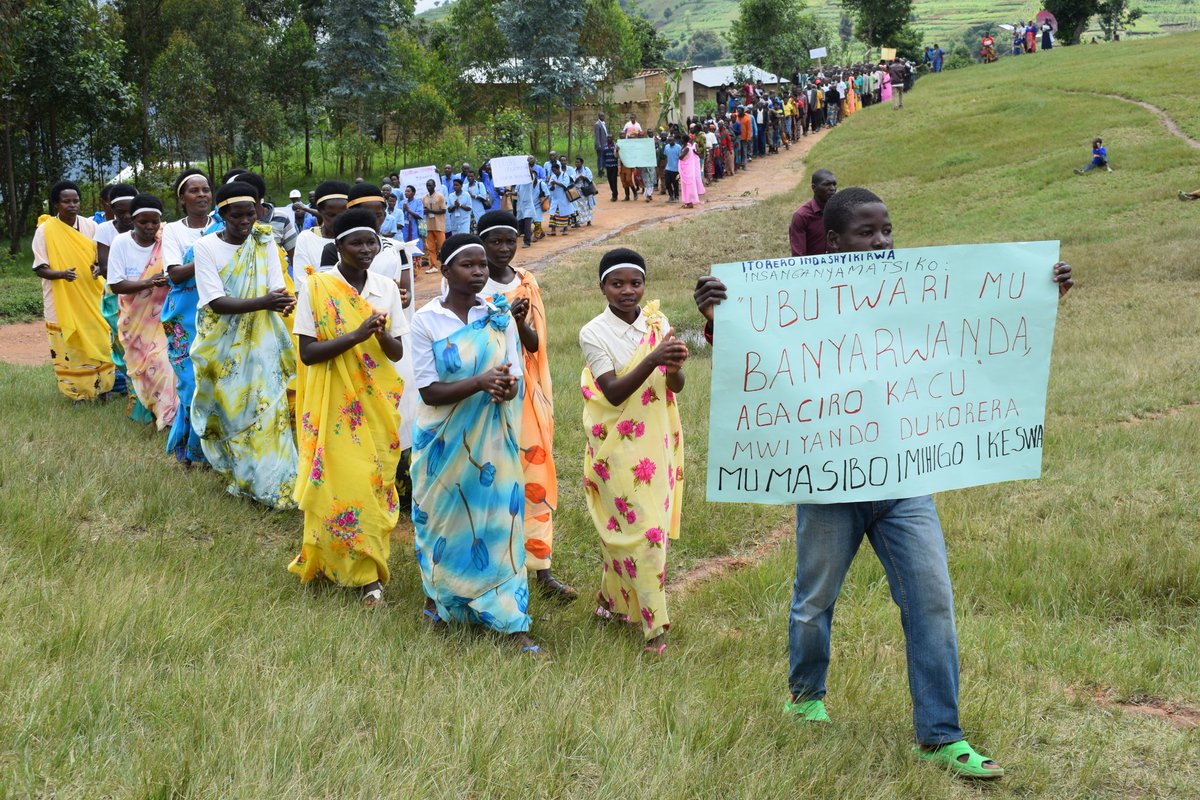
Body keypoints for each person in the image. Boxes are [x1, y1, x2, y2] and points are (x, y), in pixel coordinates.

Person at [692, 186, 1074, 780]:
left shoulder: (916, 291)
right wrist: (719, 316)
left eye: (887, 230)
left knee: (932, 603)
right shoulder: (799, 295)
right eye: (866, 232)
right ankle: (806, 699)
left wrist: (1038, 292)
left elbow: (972, 328)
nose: (881, 242)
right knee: (814, 601)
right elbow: (757, 354)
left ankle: (941, 735)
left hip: (904, 480)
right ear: (834, 240)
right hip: (829, 482)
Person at [409, 233, 537, 651]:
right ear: (445, 269)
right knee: (442, 523)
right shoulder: (427, 320)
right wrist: (481, 382)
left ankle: (510, 620)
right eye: (469, 264)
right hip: (442, 444)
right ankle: (444, 600)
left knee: (499, 525)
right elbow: (429, 391)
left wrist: (505, 388)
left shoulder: (498, 317)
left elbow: (514, 376)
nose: (479, 271)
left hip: (493, 441)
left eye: (482, 265)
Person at [289, 208, 407, 607]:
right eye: (357, 242)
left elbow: (396, 351)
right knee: (339, 484)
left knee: (374, 484)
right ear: (338, 245)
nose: (366, 249)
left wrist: (381, 334)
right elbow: (308, 353)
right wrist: (356, 335)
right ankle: (364, 577)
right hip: (334, 404)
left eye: (372, 242)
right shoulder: (316, 287)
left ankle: (363, 562)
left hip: (376, 404)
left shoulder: (386, 287)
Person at [579, 248, 687, 655]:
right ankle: (654, 630)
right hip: (616, 448)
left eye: (635, 283)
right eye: (617, 283)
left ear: (645, 284)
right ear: (602, 287)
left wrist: (672, 368)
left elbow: (674, 387)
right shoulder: (593, 332)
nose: (627, 291)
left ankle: (610, 601)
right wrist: (654, 358)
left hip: (655, 442)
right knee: (644, 533)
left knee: (641, 527)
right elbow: (612, 391)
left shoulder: (658, 324)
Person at [475, 210, 576, 600]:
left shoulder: (526, 283)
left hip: (526, 394)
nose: (503, 248)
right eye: (495, 241)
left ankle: (541, 569)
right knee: (491, 474)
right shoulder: (472, 284)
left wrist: (518, 323)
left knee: (533, 471)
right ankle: (498, 567)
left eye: (509, 240)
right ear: (481, 244)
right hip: (484, 392)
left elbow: (535, 344)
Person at [190, 181, 298, 509]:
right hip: (220, 343)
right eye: (236, 215)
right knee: (232, 410)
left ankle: (276, 487)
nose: (245, 221)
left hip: (262, 339)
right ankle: (243, 477)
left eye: (250, 213)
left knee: (267, 410)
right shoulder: (205, 247)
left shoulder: (264, 241)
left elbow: (276, 287)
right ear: (222, 215)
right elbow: (216, 301)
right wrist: (265, 302)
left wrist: (282, 303)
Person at [32, 180, 115, 402]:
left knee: (101, 337)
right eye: (66, 201)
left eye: (75, 200)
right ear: (56, 204)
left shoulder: (91, 226)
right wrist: (61, 274)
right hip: (60, 299)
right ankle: (77, 393)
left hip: (91, 294)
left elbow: (101, 259)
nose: (72, 205)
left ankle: (104, 388)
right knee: (70, 346)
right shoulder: (45, 230)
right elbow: (40, 268)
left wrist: (98, 268)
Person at [106, 193, 178, 429]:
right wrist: (149, 282)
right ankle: (153, 412)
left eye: (154, 222)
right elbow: (116, 284)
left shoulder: (166, 240)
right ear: (132, 220)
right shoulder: (121, 243)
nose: (149, 227)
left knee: (164, 365)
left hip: (163, 315)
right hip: (133, 320)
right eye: (143, 222)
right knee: (145, 370)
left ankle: (168, 417)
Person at [161, 169, 216, 465]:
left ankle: (210, 452)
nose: (202, 195)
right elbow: (175, 273)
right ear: (182, 198)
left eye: (206, 189)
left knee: (214, 382)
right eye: (194, 191)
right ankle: (187, 445)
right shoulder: (173, 230)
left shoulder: (224, 224)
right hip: (184, 314)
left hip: (218, 311)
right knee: (191, 383)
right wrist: (208, 256)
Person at [93, 183, 138, 404]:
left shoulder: (146, 225)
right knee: (121, 343)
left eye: (131, 211)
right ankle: (130, 389)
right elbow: (105, 267)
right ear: (111, 209)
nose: (127, 217)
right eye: (121, 212)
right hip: (116, 295)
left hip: (143, 295)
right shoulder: (105, 229)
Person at [293, 180, 350, 285]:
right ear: (319, 211)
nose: (338, 221)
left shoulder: (358, 240)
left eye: (343, 215)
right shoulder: (306, 239)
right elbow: (302, 283)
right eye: (331, 215)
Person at [789, 169, 837, 256]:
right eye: (827, 184)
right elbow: (798, 256)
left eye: (834, 184)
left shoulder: (840, 211)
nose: (832, 188)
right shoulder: (801, 216)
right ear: (814, 188)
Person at [422, 178, 447, 273]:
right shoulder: (424, 197)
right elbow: (424, 209)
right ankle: (433, 266)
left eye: (430, 185)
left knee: (442, 246)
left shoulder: (439, 196)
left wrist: (431, 211)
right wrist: (425, 211)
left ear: (434, 186)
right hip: (429, 225)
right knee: (430, 247)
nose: (428, 187)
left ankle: (446, 263)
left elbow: (443, 210)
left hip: (438, 224)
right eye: (427, 185)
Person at [545, 162, 574, 236]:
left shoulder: (565, 175)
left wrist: (556, 183)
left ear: (558, 169)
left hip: (563, 198)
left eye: (555, 170)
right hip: (555, 198)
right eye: (553, 171)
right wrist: (552, 186)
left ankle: (565, 229)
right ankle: (553, 230)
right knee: (553, 214)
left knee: (564, 214)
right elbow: (550, 188)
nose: (554, 172)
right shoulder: (553, 176)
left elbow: (565, 185)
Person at [677, 136, 705, 210]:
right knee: (684, 185)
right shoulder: (684, 146)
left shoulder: (687, 148)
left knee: (689, 185)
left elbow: (681, 157)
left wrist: (677, 154)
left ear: (684, 140)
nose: (681, 140)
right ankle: (687, 201)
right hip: (684, 168)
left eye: (682, 139)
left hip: (687, 169)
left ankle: (690, 202)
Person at [661, 134, 682, 203]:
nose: (670, 142)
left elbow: (681, 158)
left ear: (674, 140)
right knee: (667, 183)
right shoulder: (666, 147)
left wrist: (680, 169)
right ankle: (671, 196)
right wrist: (665, 167)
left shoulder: (678, 147)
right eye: (669, 140)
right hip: (668, 168)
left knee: (675, 184)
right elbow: (666, 157)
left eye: (671, 140)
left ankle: (676, 197)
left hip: (676, 169)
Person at [601, 136, 619, 201]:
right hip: (608, 166)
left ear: (612, 139)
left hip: (614, 166)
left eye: (610, 138)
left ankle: (614, 195)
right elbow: (603, 157)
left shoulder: (615, 146)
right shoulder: (604, 147)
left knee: (614, 180)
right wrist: (602, 166)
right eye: (608, 138)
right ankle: (614, 192)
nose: (609, 139)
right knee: (610, 180)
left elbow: (618, 155)